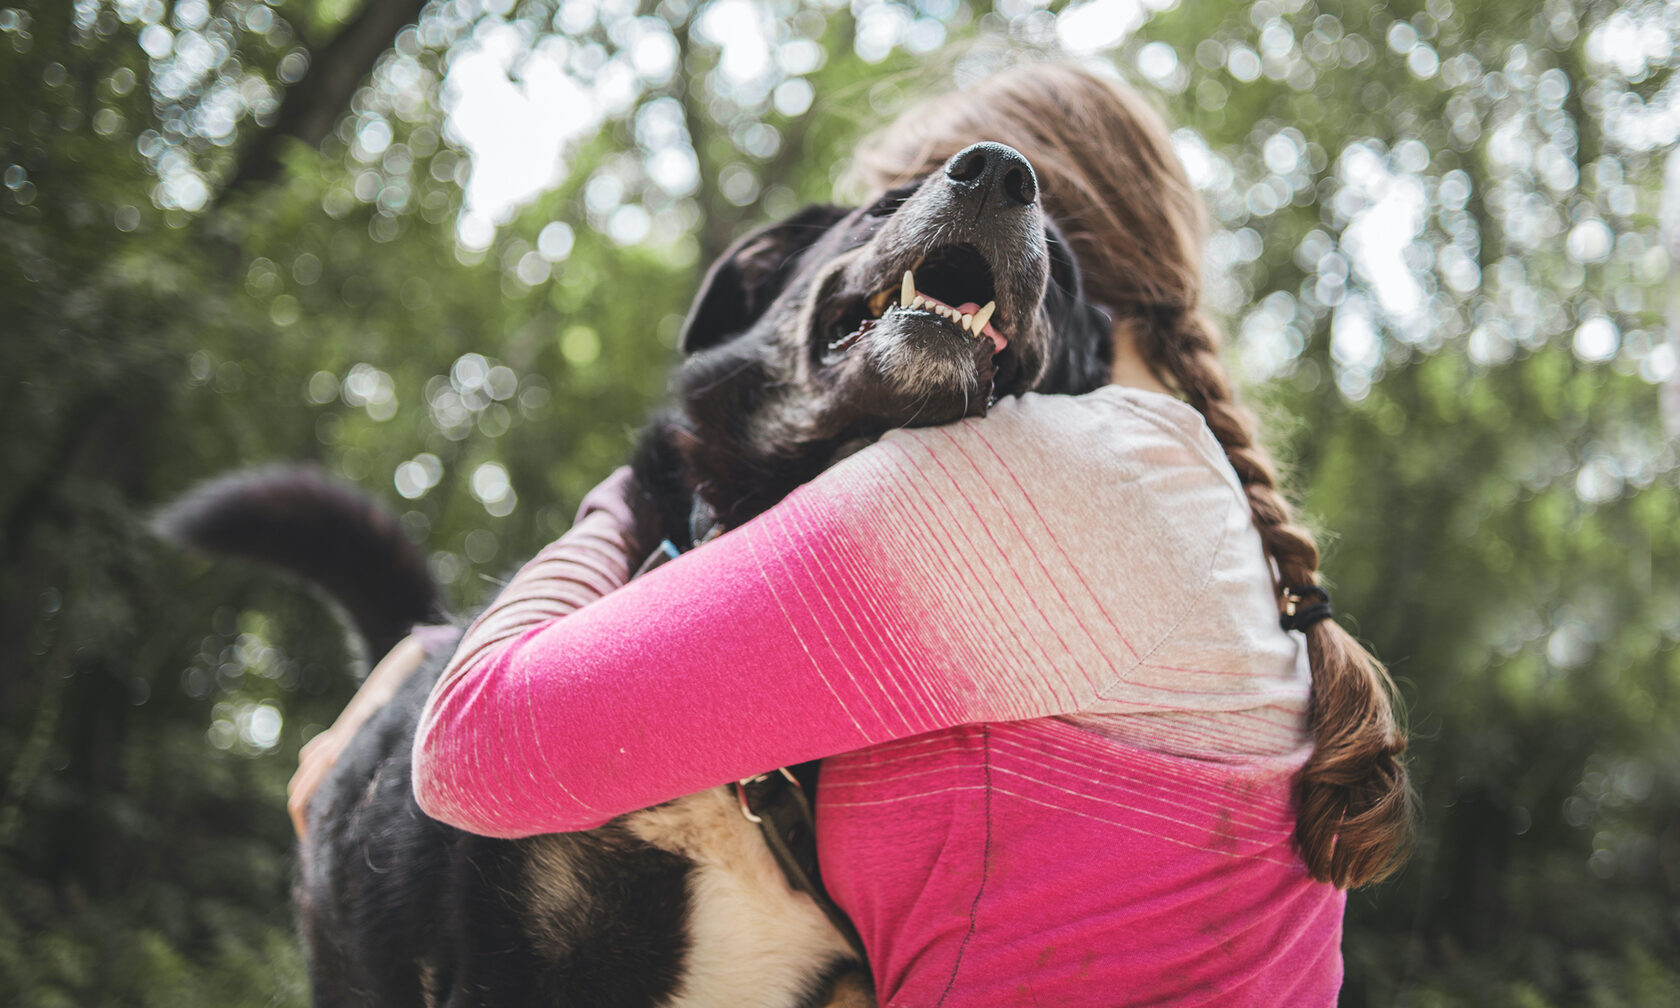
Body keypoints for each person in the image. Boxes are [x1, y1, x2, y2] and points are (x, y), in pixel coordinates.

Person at [300, 60, 1414, 1005]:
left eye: (887, 204)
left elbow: (482, 745)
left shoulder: (1038, 479)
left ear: (1038, 260)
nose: (866, 239)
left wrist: (643, 484)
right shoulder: (1189, 516)